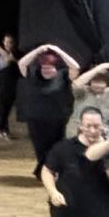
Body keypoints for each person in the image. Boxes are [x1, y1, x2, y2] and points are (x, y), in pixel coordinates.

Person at [18, 43, 81, 177]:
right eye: (44, 68)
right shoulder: (33, 74)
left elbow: (75, 67)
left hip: (57, 118)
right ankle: (43, 170)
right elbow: (21, 63)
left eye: (50, 68)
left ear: (56, 67)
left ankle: (48, 170)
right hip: (36, 118)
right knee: (40, 146)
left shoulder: (63, 76)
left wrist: (59, 51)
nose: (47, 70)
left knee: (55, 146)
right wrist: (38, 51)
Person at [69, 62, 109, 137]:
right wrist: (98, 69)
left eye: (101, 82)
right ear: (90, 82)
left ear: (107, 83)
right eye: (95, 82)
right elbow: (76, 84)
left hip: (101, 134)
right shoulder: (83, 91)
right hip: (77, 132)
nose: (98, 85)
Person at [0, 34, 21, 139]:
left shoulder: (18, 54)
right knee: (3, 107)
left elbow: (21, 66)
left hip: (13, 84)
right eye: (6, 42)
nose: (8, 44)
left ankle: (4, 128)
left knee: (8, 107)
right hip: (2, 84)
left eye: (10, 42)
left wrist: (14, 60)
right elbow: (1, 64)